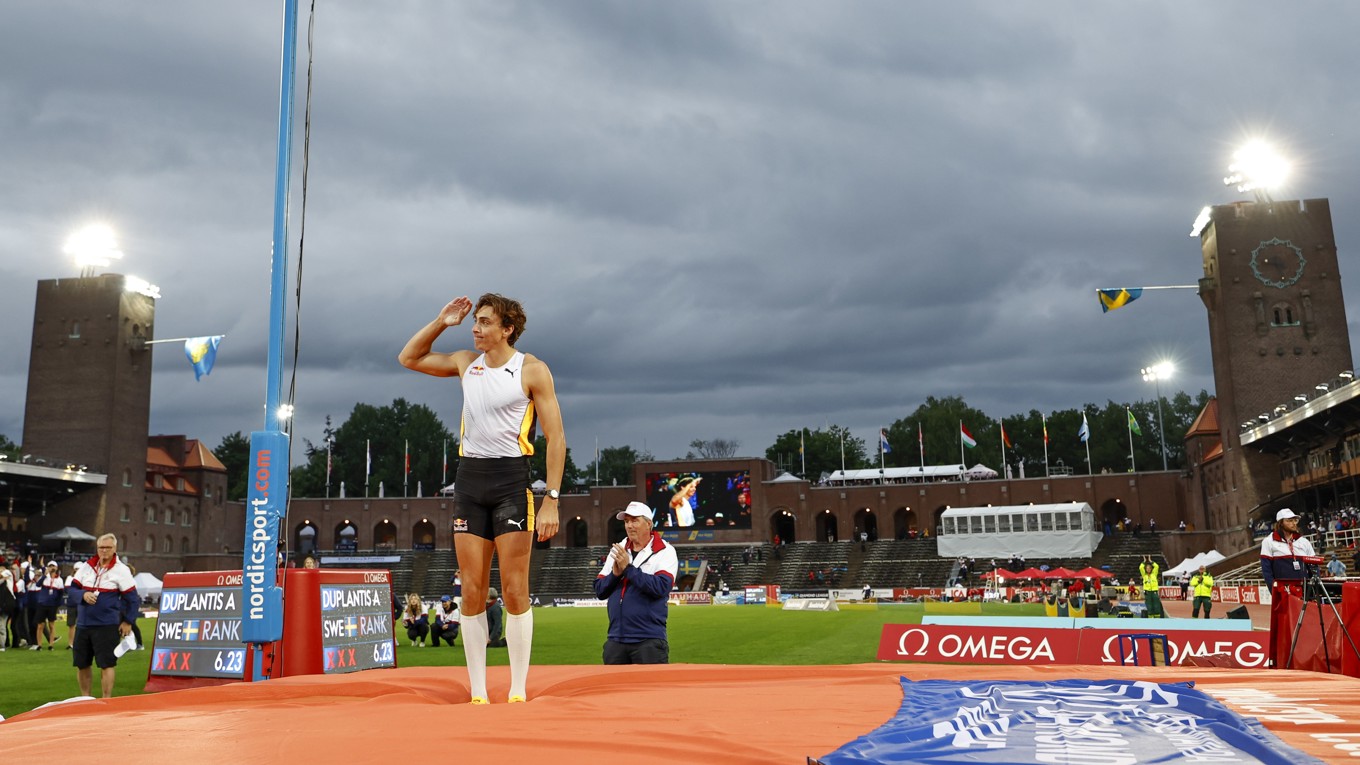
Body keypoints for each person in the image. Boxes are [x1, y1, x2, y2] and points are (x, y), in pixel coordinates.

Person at [399, 293, 564, 704]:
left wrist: (552, 499)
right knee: (471, 589)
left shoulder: (532, 370)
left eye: (485, 322)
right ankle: (477, 692)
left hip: (511, 481)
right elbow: (409, 357)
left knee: (513, 589)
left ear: (507, 329)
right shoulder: (463, 362)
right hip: (470, 482)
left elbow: (557, 438)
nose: (476, 327)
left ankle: (519, 689)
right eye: (475, 321)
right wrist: (441, 321)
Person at [594, 501, 678, 665]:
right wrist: (615, 575)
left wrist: (628, 569)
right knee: (613, 690)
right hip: (615, 640)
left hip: (649, 640)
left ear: (648, 524)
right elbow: (600, 590)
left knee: (651, 690)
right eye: (626, 521)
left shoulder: (665, 551)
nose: (629, 526)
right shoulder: (619, 549)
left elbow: (661, 587)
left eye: (634, 520)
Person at [68, 534, 140, 698]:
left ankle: (106, 700)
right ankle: (85, 698)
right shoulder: (87, 566)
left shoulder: (121, 570)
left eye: (108, 548)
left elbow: (133, 599)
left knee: (106, 664)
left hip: (106, 625)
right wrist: (83, 595)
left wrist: (128, 621)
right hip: (84, 624)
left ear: (115, 549)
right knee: (82, 664)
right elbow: (72, 590)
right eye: (101, 547)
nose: (104, 551)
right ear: (97, 548)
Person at [1260, 508, 1316, 593]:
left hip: (1305, 592)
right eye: (1289, 521)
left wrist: (1314, 590)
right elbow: (1267, 571)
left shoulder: (1304, 542)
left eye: (1295, 520)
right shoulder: (1268, 542)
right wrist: (1275, 592)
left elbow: (1314, 566)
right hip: (1284, 592)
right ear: (1281, 523)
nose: (1294, 523)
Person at [32, 561, 65, 650]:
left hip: (52, 606)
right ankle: (39, 645)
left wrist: (57, 604)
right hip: (42, 604)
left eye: (53, 566)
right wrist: (44, 576)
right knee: (40, 625)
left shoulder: (59, 580)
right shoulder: (45, 577)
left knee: (51, 625)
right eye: (50, 566)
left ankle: (51, 645)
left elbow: (60, 594)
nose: (51, 568)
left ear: (56, 568)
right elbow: (38, 585)